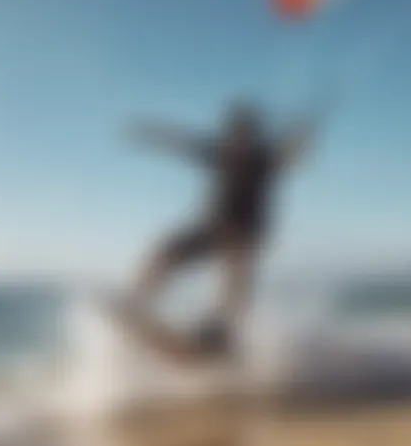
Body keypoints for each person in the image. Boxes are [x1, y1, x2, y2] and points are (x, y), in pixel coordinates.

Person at [111, 99, 327, 366]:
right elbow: (180, 143)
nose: (240, 144)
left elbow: (292, 156)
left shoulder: (265, 159)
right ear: (230, 136)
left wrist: (304, 137)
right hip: (214, 228)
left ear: (254, 136)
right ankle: (136, 301)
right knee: (168, 249)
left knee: (235, 275)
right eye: (236, 137)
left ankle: (221, 334)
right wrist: (150, 133)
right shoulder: (218, 152)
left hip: (246, 237)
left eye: (246, 137)